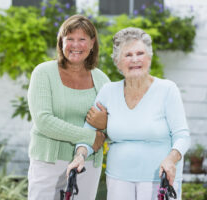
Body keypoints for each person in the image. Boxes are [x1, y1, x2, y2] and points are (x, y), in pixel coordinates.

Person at [67, 27, 191, 200]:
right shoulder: (108, 92)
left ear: (149, 57)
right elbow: (88, 133)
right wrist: (80, 156)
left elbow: (182, 136)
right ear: (118, 62)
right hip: (118, 180)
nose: (135, 60)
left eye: (140, 53)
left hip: (159, 179)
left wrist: (171, 159)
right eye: (128, 55)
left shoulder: (167, 90)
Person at [27, 15, 110, 200]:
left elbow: (110, 124)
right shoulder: (44, 73)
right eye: (70, 39)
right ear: (61, 42)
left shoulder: (102, 80)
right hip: (48, 161)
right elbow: (43, 121)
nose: (75, 45)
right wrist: (89, 136)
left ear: (92, 43)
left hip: (87, 164)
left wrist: (105, 124)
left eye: (82, 39)